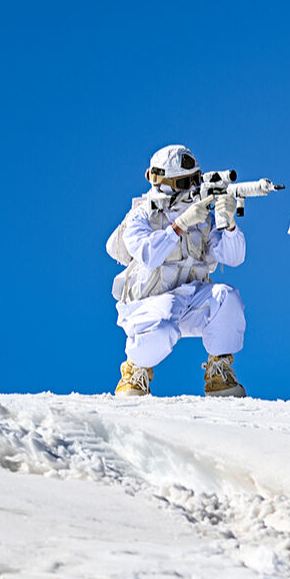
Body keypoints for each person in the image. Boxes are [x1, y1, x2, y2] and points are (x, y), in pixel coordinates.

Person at [106, 145, 248, 398]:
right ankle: (135, 370)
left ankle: (219, 373)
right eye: (185, 182)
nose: (192, 188)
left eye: (195, 180)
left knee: (227, 297)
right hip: (149, 305)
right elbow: (149, 255)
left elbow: (234, 258)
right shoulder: (140, 216)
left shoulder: (202, 215)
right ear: (163, 182)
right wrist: (179, 225)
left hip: (190, 300)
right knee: (162, 332)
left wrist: (229, 225)